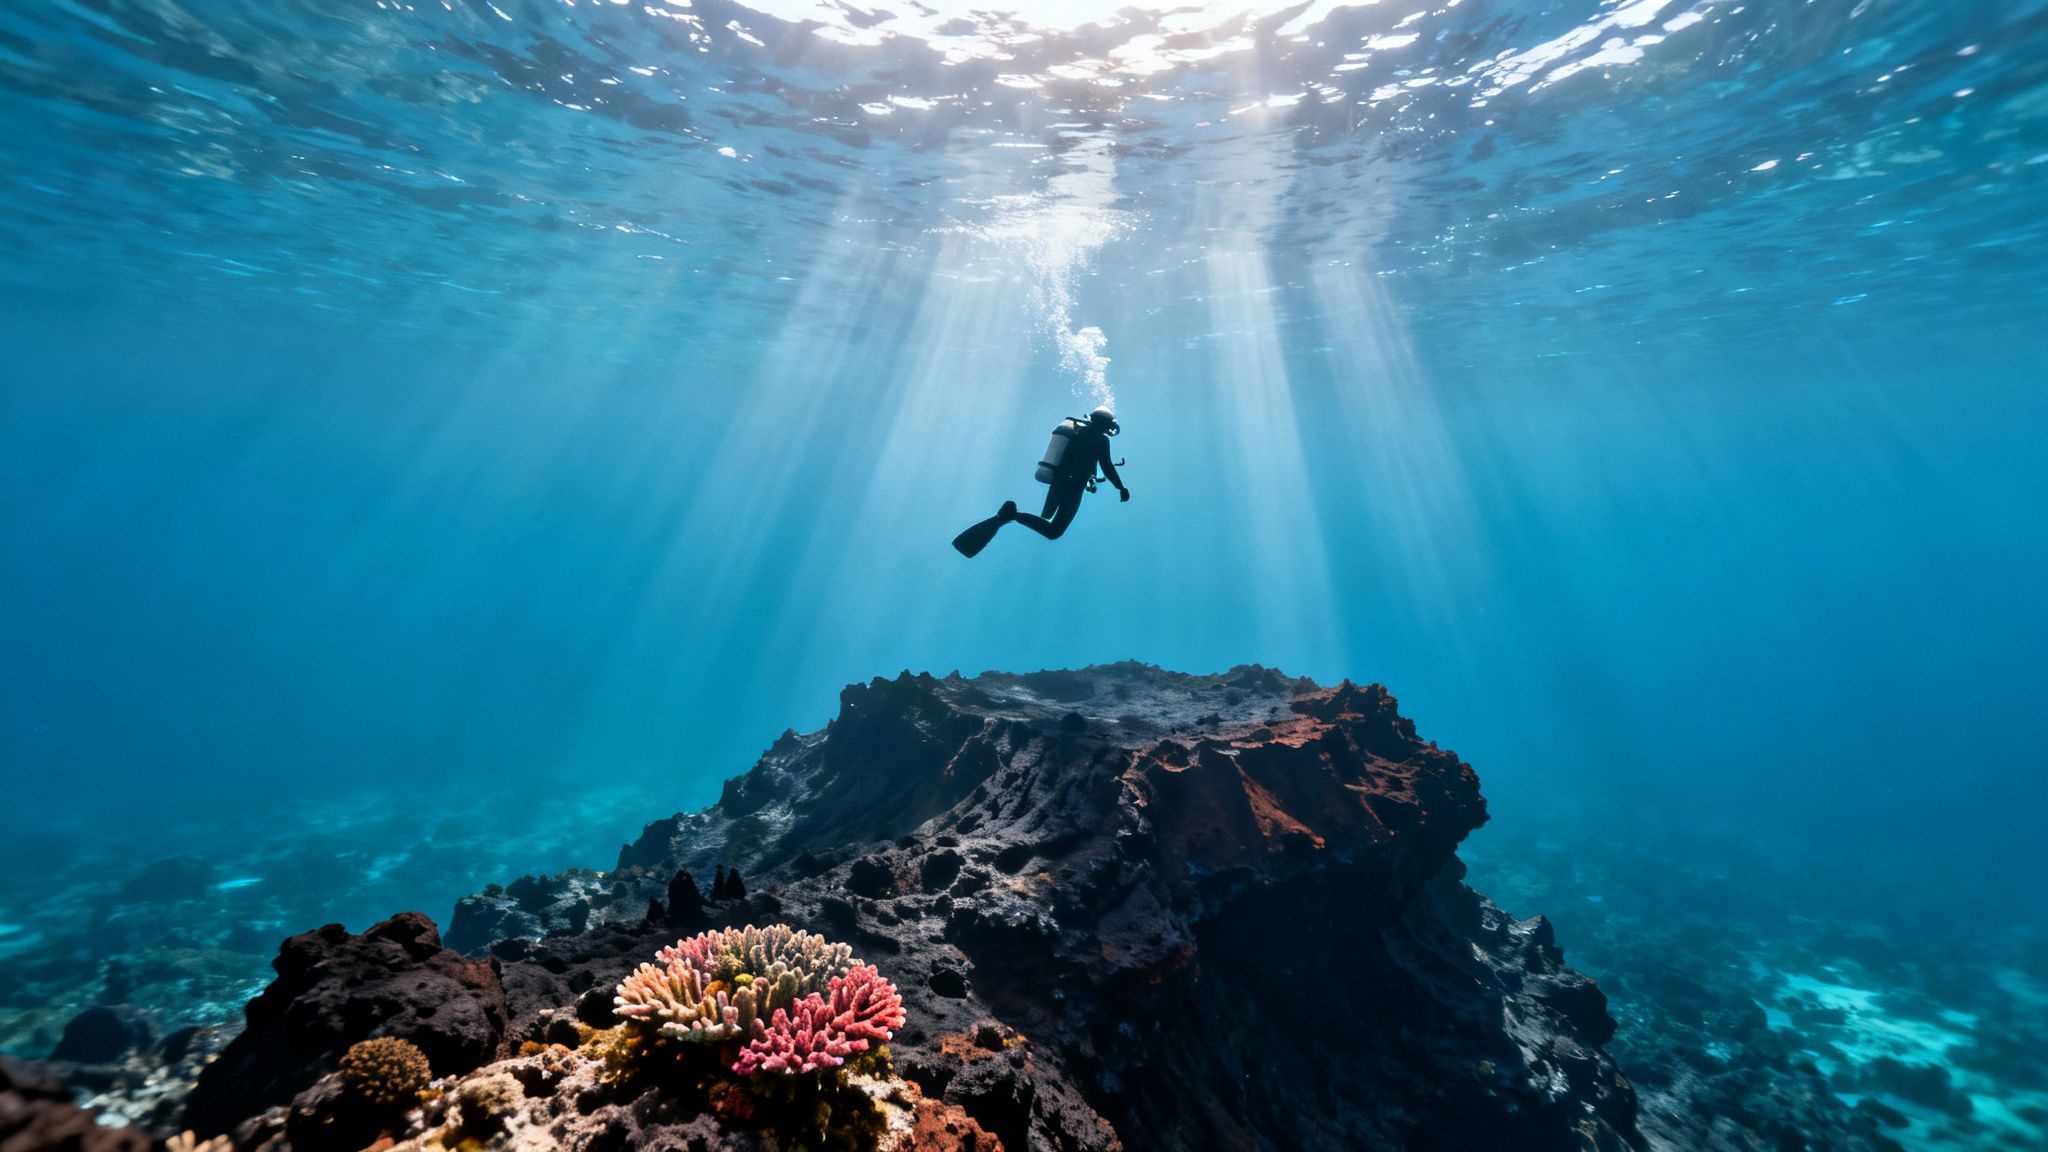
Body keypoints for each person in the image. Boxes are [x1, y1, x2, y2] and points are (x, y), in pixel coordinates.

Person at [953, 406, 1128, 557]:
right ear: (1108, 425)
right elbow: (1106, 466)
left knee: (1050, 524)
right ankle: (1013, 514)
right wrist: (1121, 487)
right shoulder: (1101, 440)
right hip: (1074, 487)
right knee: (1054, 531)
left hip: (1059, 482)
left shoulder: (1077, 430)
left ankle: (1011, 515)